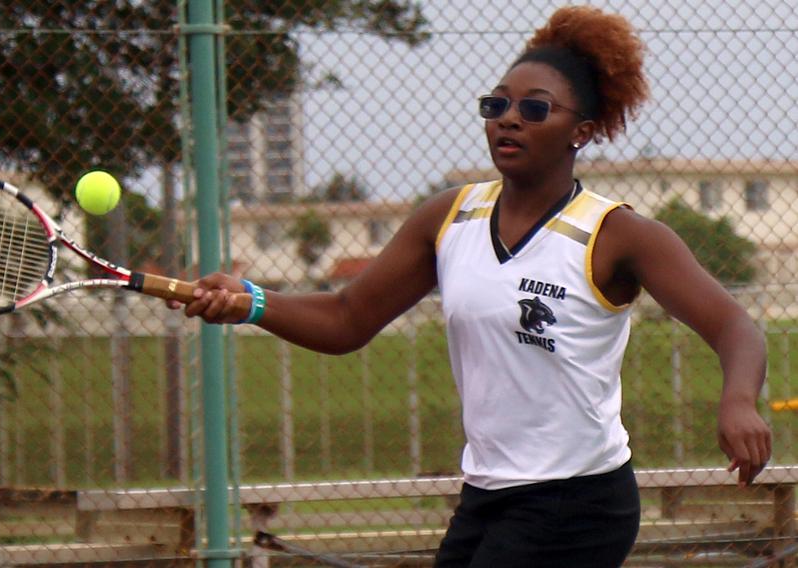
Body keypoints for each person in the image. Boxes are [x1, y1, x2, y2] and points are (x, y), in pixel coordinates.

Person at [169, 6, 772, 566]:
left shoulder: (616, 233)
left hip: (578, 499)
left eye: (535, 108)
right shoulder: (450, 217)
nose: (509, 117)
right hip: (486, 493)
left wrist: (739, 399)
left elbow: (733, 325)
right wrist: (251, 303)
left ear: (581, 131)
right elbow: (349, 318)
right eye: (497, 105)